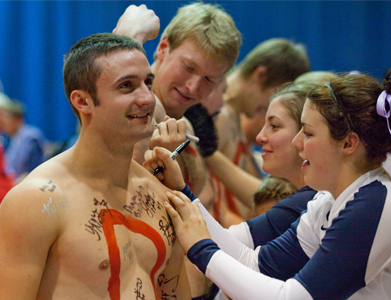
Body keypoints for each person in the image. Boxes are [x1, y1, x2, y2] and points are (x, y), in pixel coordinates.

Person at [158, 68, 391, 299]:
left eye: (308, 133)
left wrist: (201, 250)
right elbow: (253, 263)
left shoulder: (377, 203)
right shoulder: (328, 201)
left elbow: (292, 296)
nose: (297, 142)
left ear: (348, 144)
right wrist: (182, 192)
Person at [0, 33, 191, 299]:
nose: (147, 98)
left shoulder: (160, 193)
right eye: (127, 85)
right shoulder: (34, 201)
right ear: (82, 101)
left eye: (148, 82)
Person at [113, 3, 241, 199]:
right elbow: (119, 198)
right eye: (188, 68)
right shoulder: (140, 107)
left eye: (208, 80)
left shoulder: (186, 127)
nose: (192, 87)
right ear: (163, 48)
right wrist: (131, 37)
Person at [209, 38, 310, 226]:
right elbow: (208, 202)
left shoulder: (233, 118)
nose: (270, 106)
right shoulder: (218, 116)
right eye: (277, 93)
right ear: (261, 76)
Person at [2, 99, 47, 182]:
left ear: (16, 119)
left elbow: (33, 169)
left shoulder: (31, 138)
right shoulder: (13, 138)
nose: (4, 122)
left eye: (6, 118)